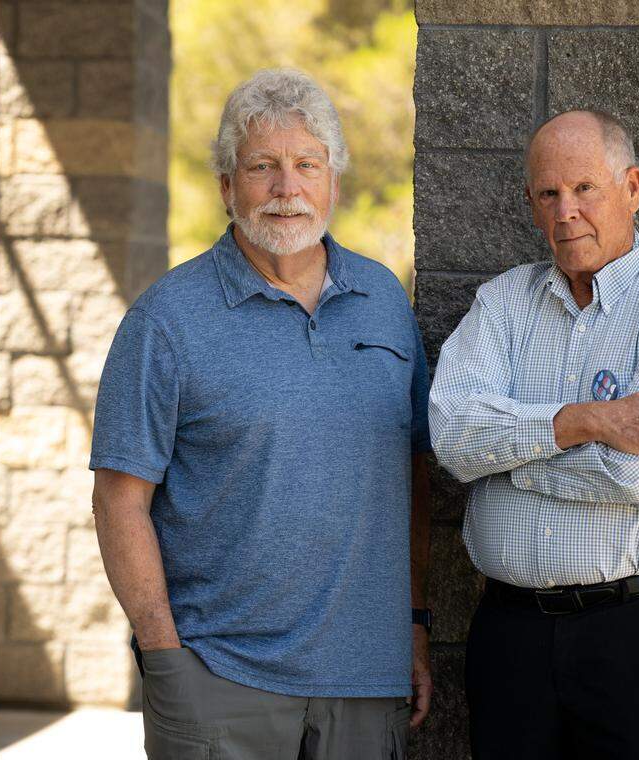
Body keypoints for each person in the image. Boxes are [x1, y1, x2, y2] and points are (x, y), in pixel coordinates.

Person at [90, 68, 433, 759]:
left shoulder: (385, 302)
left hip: (366, 687)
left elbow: (415, 473)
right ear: (226, 187)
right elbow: (118, 502)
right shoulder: (167, 320)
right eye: (262, 168)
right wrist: (165, 658)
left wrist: (417, 625)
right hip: (221, 683)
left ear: (333, 179)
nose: (287, 189)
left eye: (308, 164)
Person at [429, 110, 639, 759]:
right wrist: (583, 422)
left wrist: (508, 459)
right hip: (510, 638)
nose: (566, 211)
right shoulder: (502, 305)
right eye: (549, 193)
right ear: (531, 203)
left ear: (632, 187)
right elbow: (452, 438)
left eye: (584, 189)